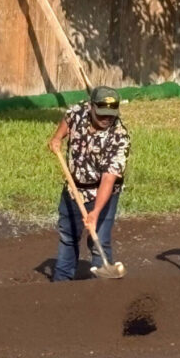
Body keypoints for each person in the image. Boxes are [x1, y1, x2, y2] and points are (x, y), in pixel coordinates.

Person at [48, 86, 131, 281]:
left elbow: (108, 179)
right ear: (91, 107)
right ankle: (61, 282)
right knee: (69, 236)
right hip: (74, 188)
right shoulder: (78, 112)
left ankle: (101, 286)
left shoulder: (119, 137)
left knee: (99, 240)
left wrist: (95, 212)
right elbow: (68, 121)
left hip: (103, 191)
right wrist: (57, 137)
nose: (106, 118)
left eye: (111, 115)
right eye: (102, 114)